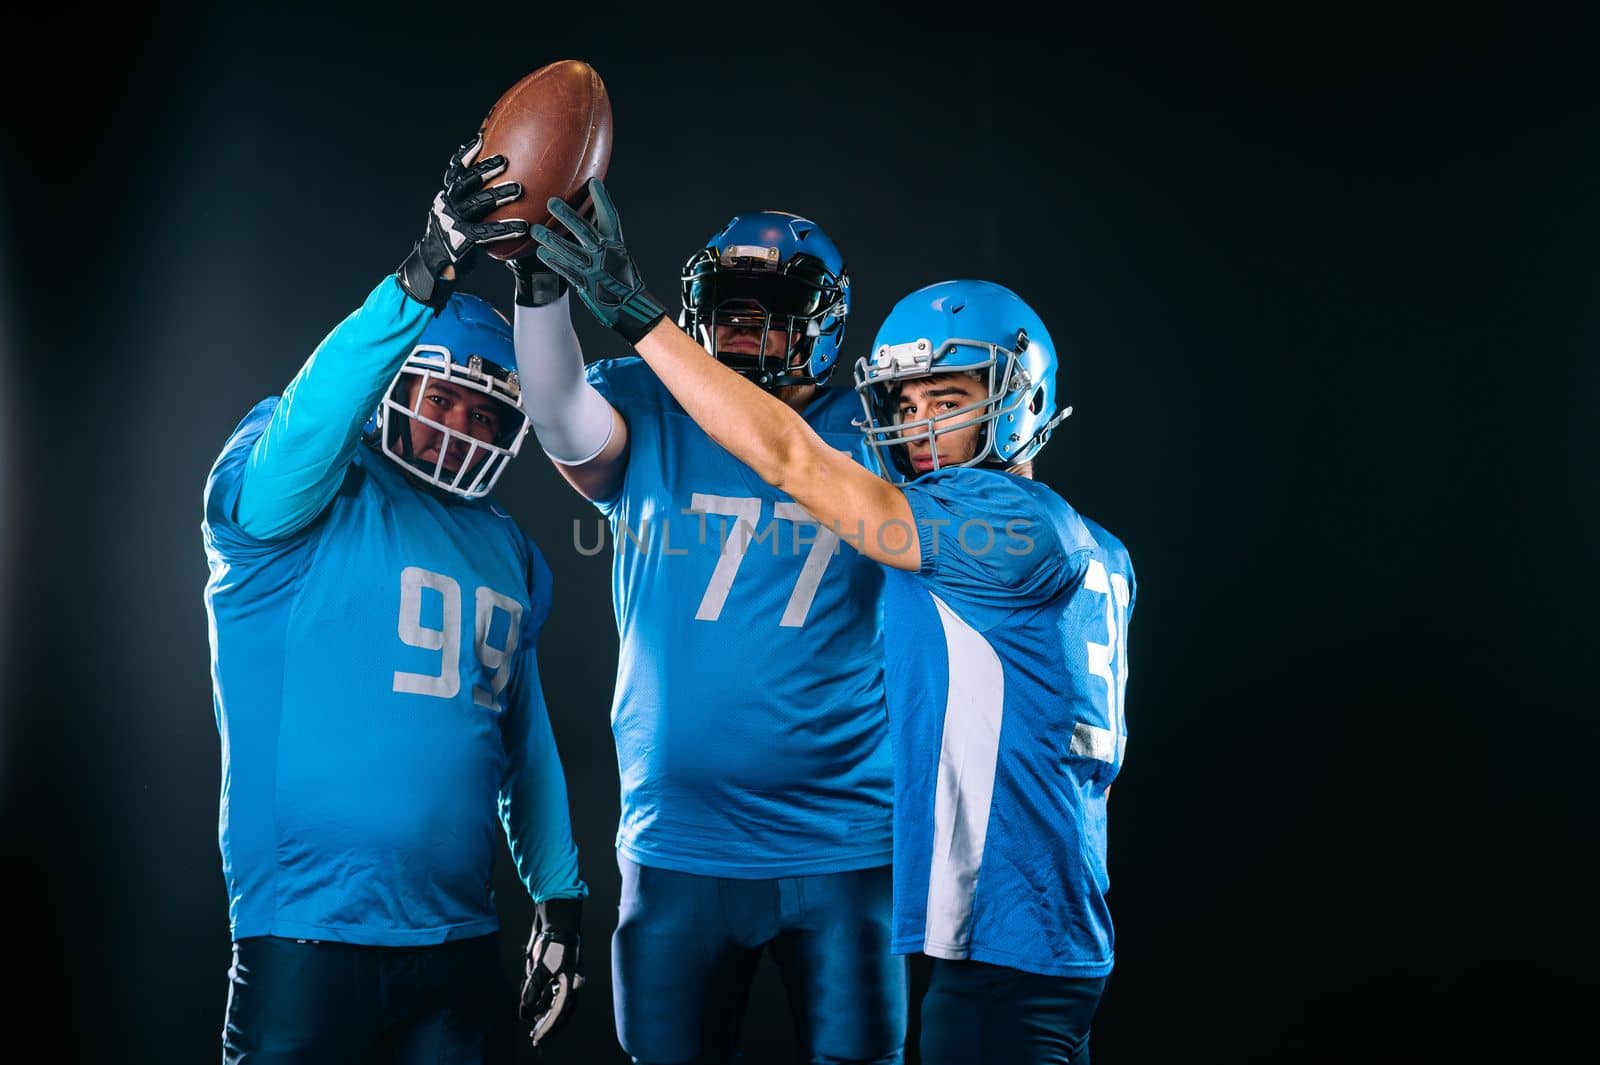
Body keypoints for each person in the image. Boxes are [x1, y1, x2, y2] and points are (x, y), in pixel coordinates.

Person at [531, 180, 1135, 1065]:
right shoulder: (1093, 543)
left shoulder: (994, 528)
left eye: (952, 396)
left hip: (988, 914)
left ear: (1022, 397)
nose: (925, 425)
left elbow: (788, 455)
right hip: (1020, 915)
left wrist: (631, 310)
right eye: (911, 402)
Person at [200, 137, 588, 1064]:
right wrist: (421, 277)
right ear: (392, 386)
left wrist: (560, 892)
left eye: (488, 414)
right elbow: (313, 421)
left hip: (457, 937)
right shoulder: (308, 485)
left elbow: (521, 740)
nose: (463, 427)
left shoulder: (506, 547)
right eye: (443, 400)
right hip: (305, 932)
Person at [505, 201, 905, 1063]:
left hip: (847, 841)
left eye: (771, 307)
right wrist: (539, 290)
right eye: (727, 304)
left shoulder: (875, 429)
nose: (744, 323)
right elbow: (559, 416)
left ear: (824, 323)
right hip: (678, 840)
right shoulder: (647, 399)